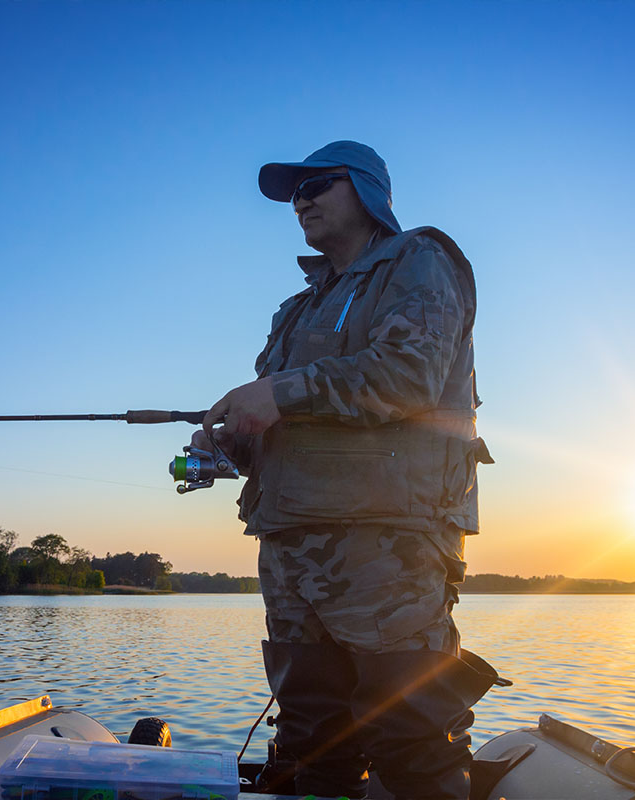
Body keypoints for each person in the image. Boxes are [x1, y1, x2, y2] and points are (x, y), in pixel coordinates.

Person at [195, 141, 499, 800]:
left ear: (365, 189)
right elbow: (281, 418)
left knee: (408, 730)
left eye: (317, 185)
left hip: (387, 544)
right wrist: (223, 445)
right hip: (289, 546)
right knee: (308, 731)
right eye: (293, 193)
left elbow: (408, 375)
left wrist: (276, 394)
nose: (301, 200)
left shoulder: (419, 259)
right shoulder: (295, 309)